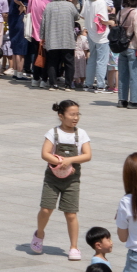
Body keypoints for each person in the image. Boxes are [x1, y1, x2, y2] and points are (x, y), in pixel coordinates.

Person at [30, 99, 90, 258]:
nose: (75, 117)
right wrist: (59, 162)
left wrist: (70, 161)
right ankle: (39, 234)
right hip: (52, 178)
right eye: (72, 114)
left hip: (72, 179)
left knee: (71, 213)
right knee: (46, 208)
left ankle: (74, 247)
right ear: (61, 116)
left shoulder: (81, 134)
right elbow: (45, 153)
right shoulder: (53, 133)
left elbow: (87, 155)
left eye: (78, 114)